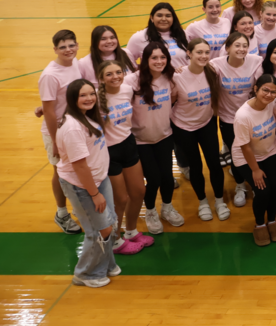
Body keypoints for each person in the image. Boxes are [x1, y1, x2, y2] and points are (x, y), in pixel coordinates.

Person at [55, 79, 119, 287]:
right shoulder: (73, 128)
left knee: (110, 223)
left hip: (99, 179)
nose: (89, 98)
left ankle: (106, 265)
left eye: (91, 94)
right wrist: (94, 194)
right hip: (83, 186)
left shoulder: (87, 116)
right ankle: (86, 274)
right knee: (99, 230)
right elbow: (80, 166)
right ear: (73, 98)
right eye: (83, 95)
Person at [125, 42, 184, 233]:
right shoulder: (132, 81)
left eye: (163, 57)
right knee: (154, 178)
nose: (159, 61)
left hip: (164, 137)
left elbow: (173, 98)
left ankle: (167, 207)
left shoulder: (170, 78)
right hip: (140, 140)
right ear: (145, 60)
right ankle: (150, 211)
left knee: (167, 177)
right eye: (154, 58)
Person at [171, 38, 230, 222]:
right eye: (199, 52)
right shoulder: (177, 76)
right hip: (183, 128)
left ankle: (219, 201)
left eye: (206, 52)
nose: (204, 56)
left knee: (214, 163)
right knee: (195, 166)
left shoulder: (212, 71)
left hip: (207, 123)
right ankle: (203, 202)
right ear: (189, 53)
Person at [96, 60, 150, 254]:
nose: (115, 77)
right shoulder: (95, 98)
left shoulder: (127, 90)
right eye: (109, 74)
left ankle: (131, 231)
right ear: (101, 78)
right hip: (108, 152)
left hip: (128, 144)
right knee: (120, 199)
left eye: (118, 72)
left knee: (139, 191)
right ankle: (115, 240)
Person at [211, 31, 264, 207]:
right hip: (228, 119)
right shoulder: (216, 64)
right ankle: (240, 185)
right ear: (227, 48)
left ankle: (256, 184)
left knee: (254, 151)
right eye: (237, 45)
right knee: (237, 154)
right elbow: (196, 70)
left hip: (251, 117)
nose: (242, 49)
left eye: (245, 46)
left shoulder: (255, 61)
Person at [39, 29, 84, 234]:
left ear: (77, 46)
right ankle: (62, 213)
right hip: (57, 131)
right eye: (63, 47)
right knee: (60, 172)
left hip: (76, 126)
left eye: (71, 45)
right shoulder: (50, 75)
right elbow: (49, 111)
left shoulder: (75, 63)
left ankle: (79, 206)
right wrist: (55, 140)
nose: (68, 50)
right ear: (55, 49)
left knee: (78, 168)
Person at [233, 74, 276, 246]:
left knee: (275, 189)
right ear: (256, 89)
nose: (269, 95)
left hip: (269, 152)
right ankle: (260, 224)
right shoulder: (243, 116)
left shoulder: (271, 105)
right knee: (263, 191)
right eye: (265, 90)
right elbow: (245, 147)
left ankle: (272, 220)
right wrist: (255, 170)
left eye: (273, 92)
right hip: (246, 157)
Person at [126, 2, 189, 69]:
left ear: (173, 18)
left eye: (168, 16)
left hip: (183, 76)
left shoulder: (183, 34)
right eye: (159, 16)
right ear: (152, 18)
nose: (164, 19)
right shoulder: (139, 37)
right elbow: (127, 62)